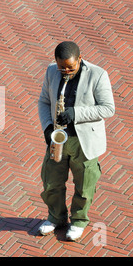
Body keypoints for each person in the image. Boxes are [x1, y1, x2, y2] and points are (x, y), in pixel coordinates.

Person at [37, 41, 115, 241]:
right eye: (62, 67)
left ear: (80, 59)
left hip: (84, 142)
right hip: (58, 139)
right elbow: (44, 101)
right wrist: (47, 127)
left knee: (85, 185)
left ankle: (79, 221)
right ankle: (56, 217)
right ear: (55, 61)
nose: (66, 72)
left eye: (71, 67)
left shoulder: (98, 75)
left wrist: (76, 113)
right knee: (51, 182)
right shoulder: (51, 71)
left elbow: (108, 108)